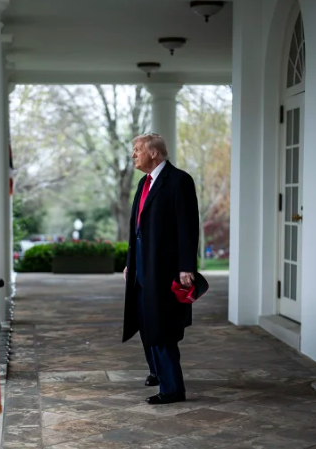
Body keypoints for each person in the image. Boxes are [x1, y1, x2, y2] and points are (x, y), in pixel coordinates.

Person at [122, 133, 199, 405]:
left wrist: (187, 266)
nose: (133, 154)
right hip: (143, 269)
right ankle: (156, 371)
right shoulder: (144, 183)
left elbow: (187, 227)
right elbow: (138, 228)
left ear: (154, 153)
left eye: (137, 149)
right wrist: (131, 262)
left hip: (165, 270)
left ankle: (172, 389)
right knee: (145, 323)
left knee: (162, 327)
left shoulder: (179, 181)